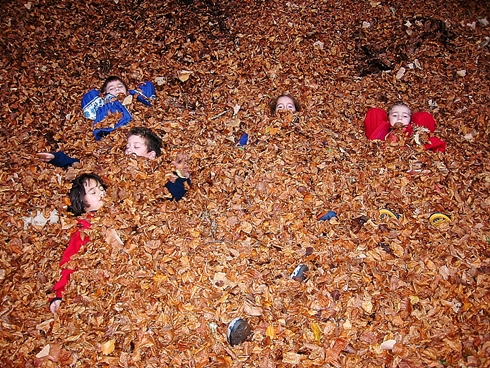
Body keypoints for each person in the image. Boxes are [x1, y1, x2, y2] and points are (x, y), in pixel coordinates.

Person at [37, 127, 191, 201]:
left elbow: (176, 192)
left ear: (151, 155)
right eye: (128, 147)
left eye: (136, 147)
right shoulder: (114, 167)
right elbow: (83, 167)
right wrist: (56, 158)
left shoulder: (159, 174)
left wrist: (182, 174)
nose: (130, 150)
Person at [49, 173, 107, 314]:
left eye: (101, 188)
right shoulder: (85, 227)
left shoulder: (116, 213)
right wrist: (58, 294)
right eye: (93, 192)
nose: (101, 193)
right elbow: (69, 260)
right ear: (82, 202)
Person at [82, 76, 156, 140]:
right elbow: (87, 103)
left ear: (127, 91)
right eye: (111, 88)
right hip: (111, 133)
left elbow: (148, 88)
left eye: (120, 86)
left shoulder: (134, 98)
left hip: (138, 131)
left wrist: (132, 91)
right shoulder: (103, 105)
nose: (117, 89)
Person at [363, 102, 446, 152]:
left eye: (405, 116)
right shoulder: (381, 131)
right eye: (395, 115)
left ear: (410, 120)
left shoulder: (415, 134)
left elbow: (435, 144)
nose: (400, 118)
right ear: (388, 118)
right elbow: (374, 113)